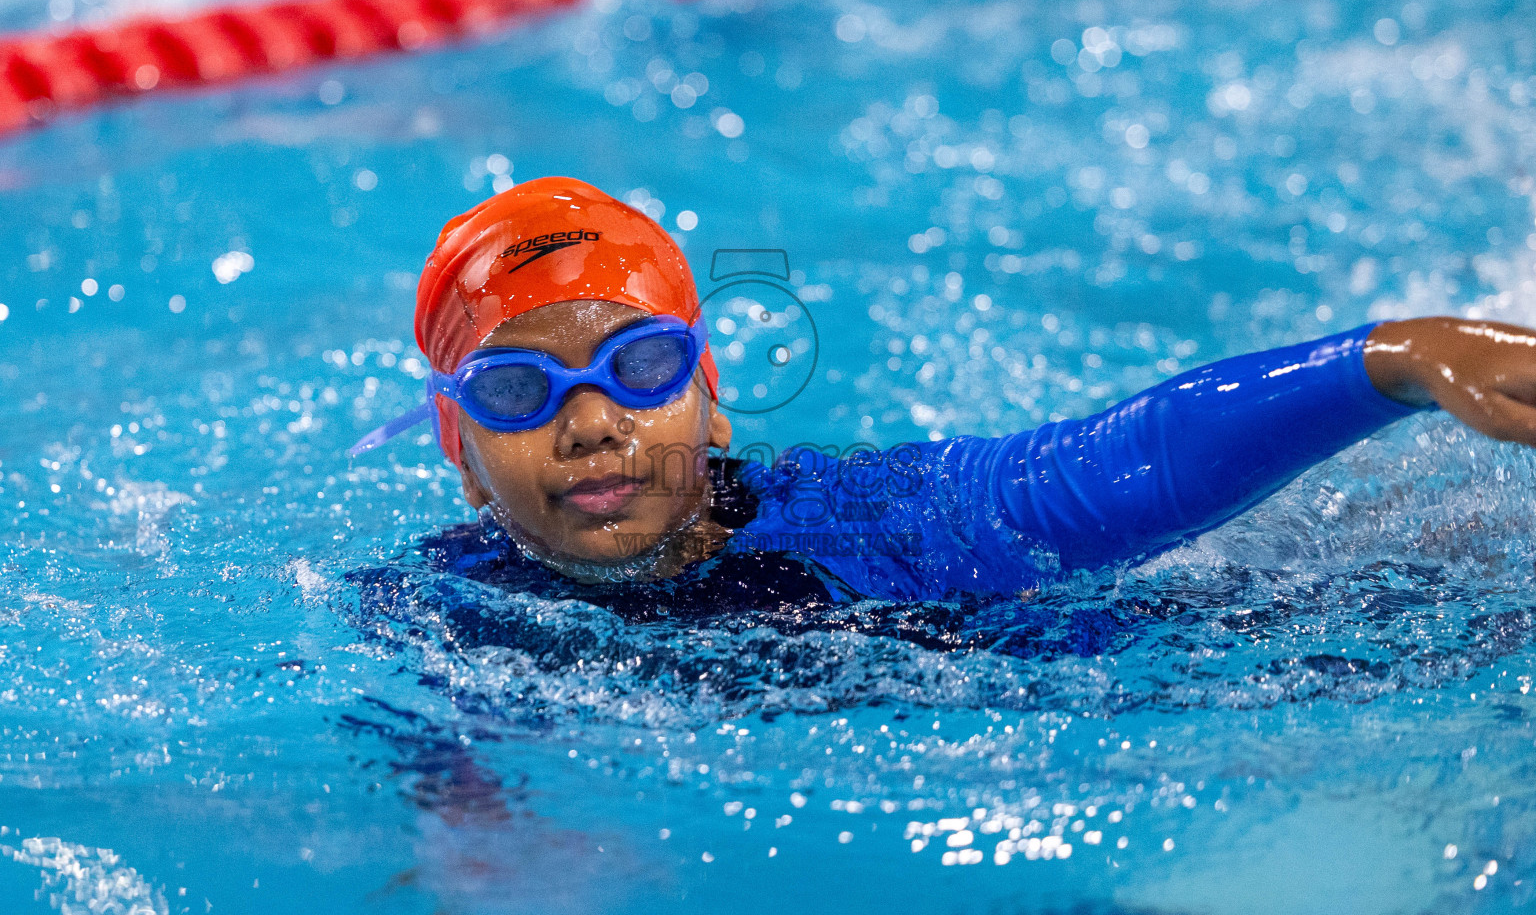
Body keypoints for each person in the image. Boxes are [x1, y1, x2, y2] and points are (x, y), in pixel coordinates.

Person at [353, 176, 1536, 604]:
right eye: (520, 389)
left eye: (642, 365)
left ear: (710, 398)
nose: (596, 422)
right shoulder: (431, 614)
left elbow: (1113, 469)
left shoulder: (869, 525)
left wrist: (1399, 358)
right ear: (457, 443)